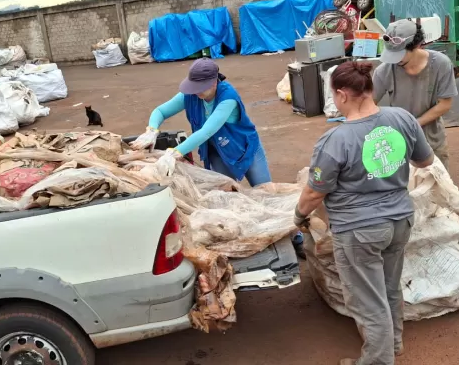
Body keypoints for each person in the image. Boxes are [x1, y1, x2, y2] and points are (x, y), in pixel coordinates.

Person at [294, 61, 434, 365]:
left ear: (343, 94)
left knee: (368, 302)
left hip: (359, 230)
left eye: (333, 96)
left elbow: (315, 191)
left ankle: (378, 361)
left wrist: (298, 215)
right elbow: (425, 161)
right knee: (388, 287)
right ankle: (393, 343)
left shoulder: (336, 140)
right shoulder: (403, 118)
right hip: (399, 221)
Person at [130, 58, 305, 256]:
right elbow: (160, 111)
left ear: (214, 82)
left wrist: (174, 153)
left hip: (246, 149)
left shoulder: (227, 97)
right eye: (193, 87)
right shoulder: (190, 95)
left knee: (266, 193)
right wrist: (151, 130)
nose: (196, 92)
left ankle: (296, 238)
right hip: (217, 152)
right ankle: (244, 240)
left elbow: (207, 130)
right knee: (225, 198)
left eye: (200, 87)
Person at [373, 20, 457, 170]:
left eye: (399, 55)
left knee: (437, 186)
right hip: (399, 142)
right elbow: (368, 104)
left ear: (417, 45)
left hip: (432, 140)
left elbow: (445, 104)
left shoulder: (440, 64)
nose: (395, 61)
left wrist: (413, 125)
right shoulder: (384, 71)